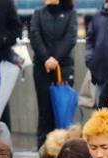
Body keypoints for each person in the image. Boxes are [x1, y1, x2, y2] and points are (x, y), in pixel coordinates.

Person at [29, 0, 78, 147]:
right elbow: (34, 36)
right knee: (44, 110)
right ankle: (43, 147)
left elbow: (70, 38)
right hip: (42, 68)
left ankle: (64, 147)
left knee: (62, 109)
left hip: (63, 68)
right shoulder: (38, 14)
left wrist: (56, 58)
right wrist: (46, 58)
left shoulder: (70, 13)